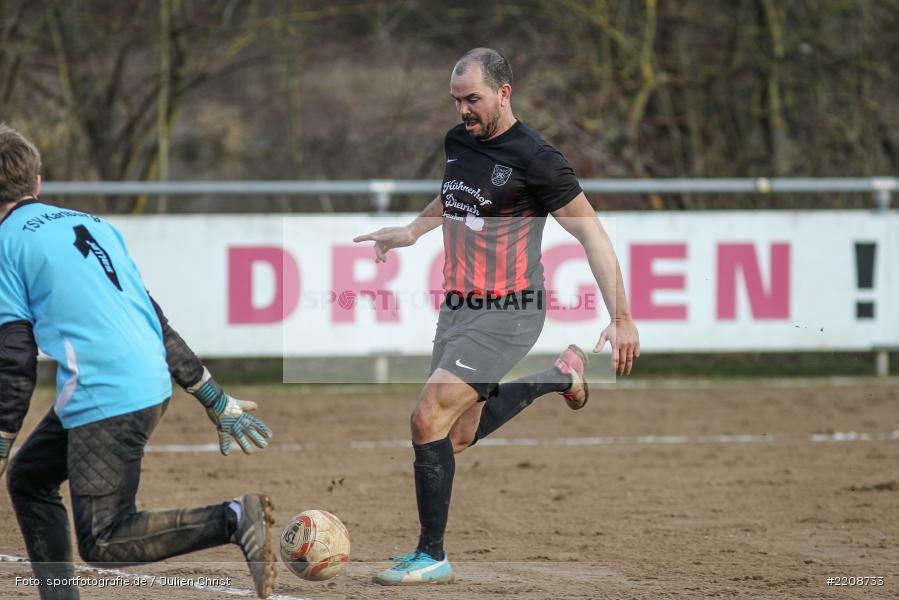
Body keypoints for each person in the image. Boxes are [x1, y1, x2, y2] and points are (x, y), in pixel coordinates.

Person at [353, 48, 641, 585]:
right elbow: (453, 196)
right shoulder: (458, 141)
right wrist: (413, 231)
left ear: (504, 93)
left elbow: (592, 236)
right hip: (457, 308)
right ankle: (560, 377)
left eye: (473, 99)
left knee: (425, 419)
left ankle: (431, 554)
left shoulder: (538, 159)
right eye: (457, 100)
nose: (463, 110)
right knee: (454, 435)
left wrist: (621, 316)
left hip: (510, 310)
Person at [0, 123, 276, 599]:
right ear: (38, 181)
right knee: (30, 479)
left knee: (105, 540)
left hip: (104, 393)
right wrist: (213, 396)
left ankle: (232, 518)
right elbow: (154, 318)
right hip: (143, 379)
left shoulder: (6, 243)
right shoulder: (95, 225)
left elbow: (14, 359)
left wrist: (1, 440)